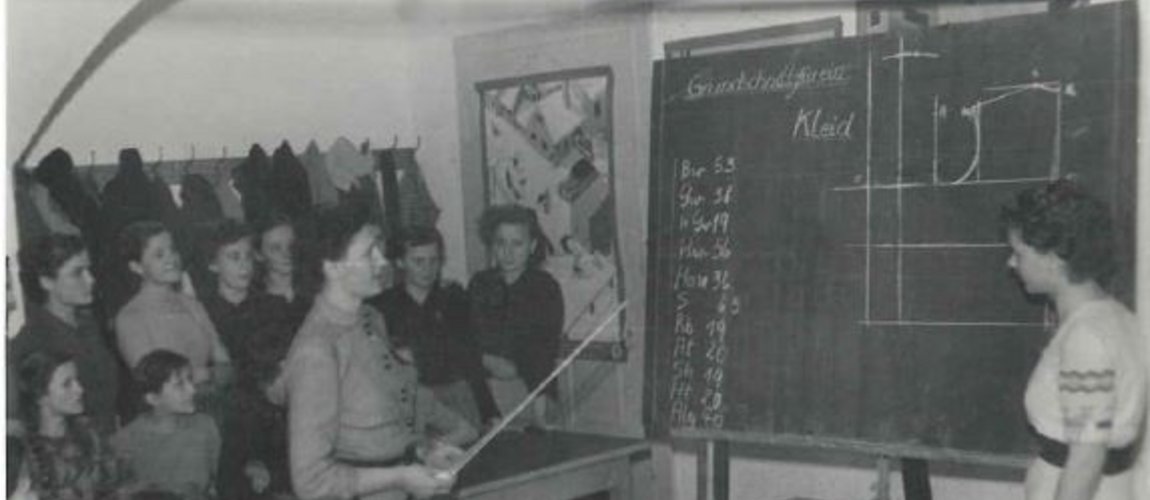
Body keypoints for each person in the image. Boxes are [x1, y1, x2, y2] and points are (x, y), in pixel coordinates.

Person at [282, 204, 476, 500]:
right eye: (368, 253)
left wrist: (425, 451)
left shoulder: (370, 318)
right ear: (331, 267)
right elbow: (311, 482)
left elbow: (384, 421)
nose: (382, 261)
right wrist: (400, 476)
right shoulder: (317, 350)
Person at [1002, 179, 1147, 500]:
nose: (1011, 263)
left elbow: (1086, 458)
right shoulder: (1117, 319)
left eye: (1019, 253)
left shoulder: (1086, 338)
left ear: (1053, 258)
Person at [196, 220, 294, 499]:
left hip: (274, 424)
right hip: (226, 428)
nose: (244, 266)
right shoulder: (201, 312)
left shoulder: (274, 307)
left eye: (248, 256)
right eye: (233, 257)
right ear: (213, 264)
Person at [368, 226, 501, 430]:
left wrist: (490, 413)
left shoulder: (454, 300)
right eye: (418, 261)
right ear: (400, 262)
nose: (427, 269)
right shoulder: (382, 307)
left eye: (434, 261)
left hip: (456, 399)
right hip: (409, 404)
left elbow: (470, 360)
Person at [112, 221, 231, 421]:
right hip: (168, 422)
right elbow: (156, 385)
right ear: (136, 267)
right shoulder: (130, 318)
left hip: (212, 409)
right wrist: (208, 375)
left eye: (173, 250)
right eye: (159, 255)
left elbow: (226, 365)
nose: (172, 259)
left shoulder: (192, 305)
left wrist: (199, 376)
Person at [12, 234, 120, 433]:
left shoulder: (88, 324)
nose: (91, 280)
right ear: (46, 282)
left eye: (89, 270)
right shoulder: (34, 340)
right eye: (77, 273)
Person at [468, 204, 564, 427]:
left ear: (532, 246)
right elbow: (471, 334)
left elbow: (544, 344)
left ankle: (539, 417)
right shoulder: (480, 283)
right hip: (486, 375)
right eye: (500, 243)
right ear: (492, 245)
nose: (508, 252)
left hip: (532, 380)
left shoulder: (545, 287)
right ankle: (490, 418)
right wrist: (489, 359)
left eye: (517, 244)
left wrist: (512, 364)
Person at [17, 350, 132, 499]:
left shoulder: (91, 433)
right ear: (40, 396)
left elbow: (121, 483)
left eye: (77, 380)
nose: (80, 390)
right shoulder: (25, 452)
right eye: (67, 384)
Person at [111, 350, 221, 500]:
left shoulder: (205, 427)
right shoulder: (127, 439)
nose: (192, 390)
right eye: (179, 385)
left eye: (190, 380)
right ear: (153, 398)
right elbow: (121, 490)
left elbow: (221, 480)